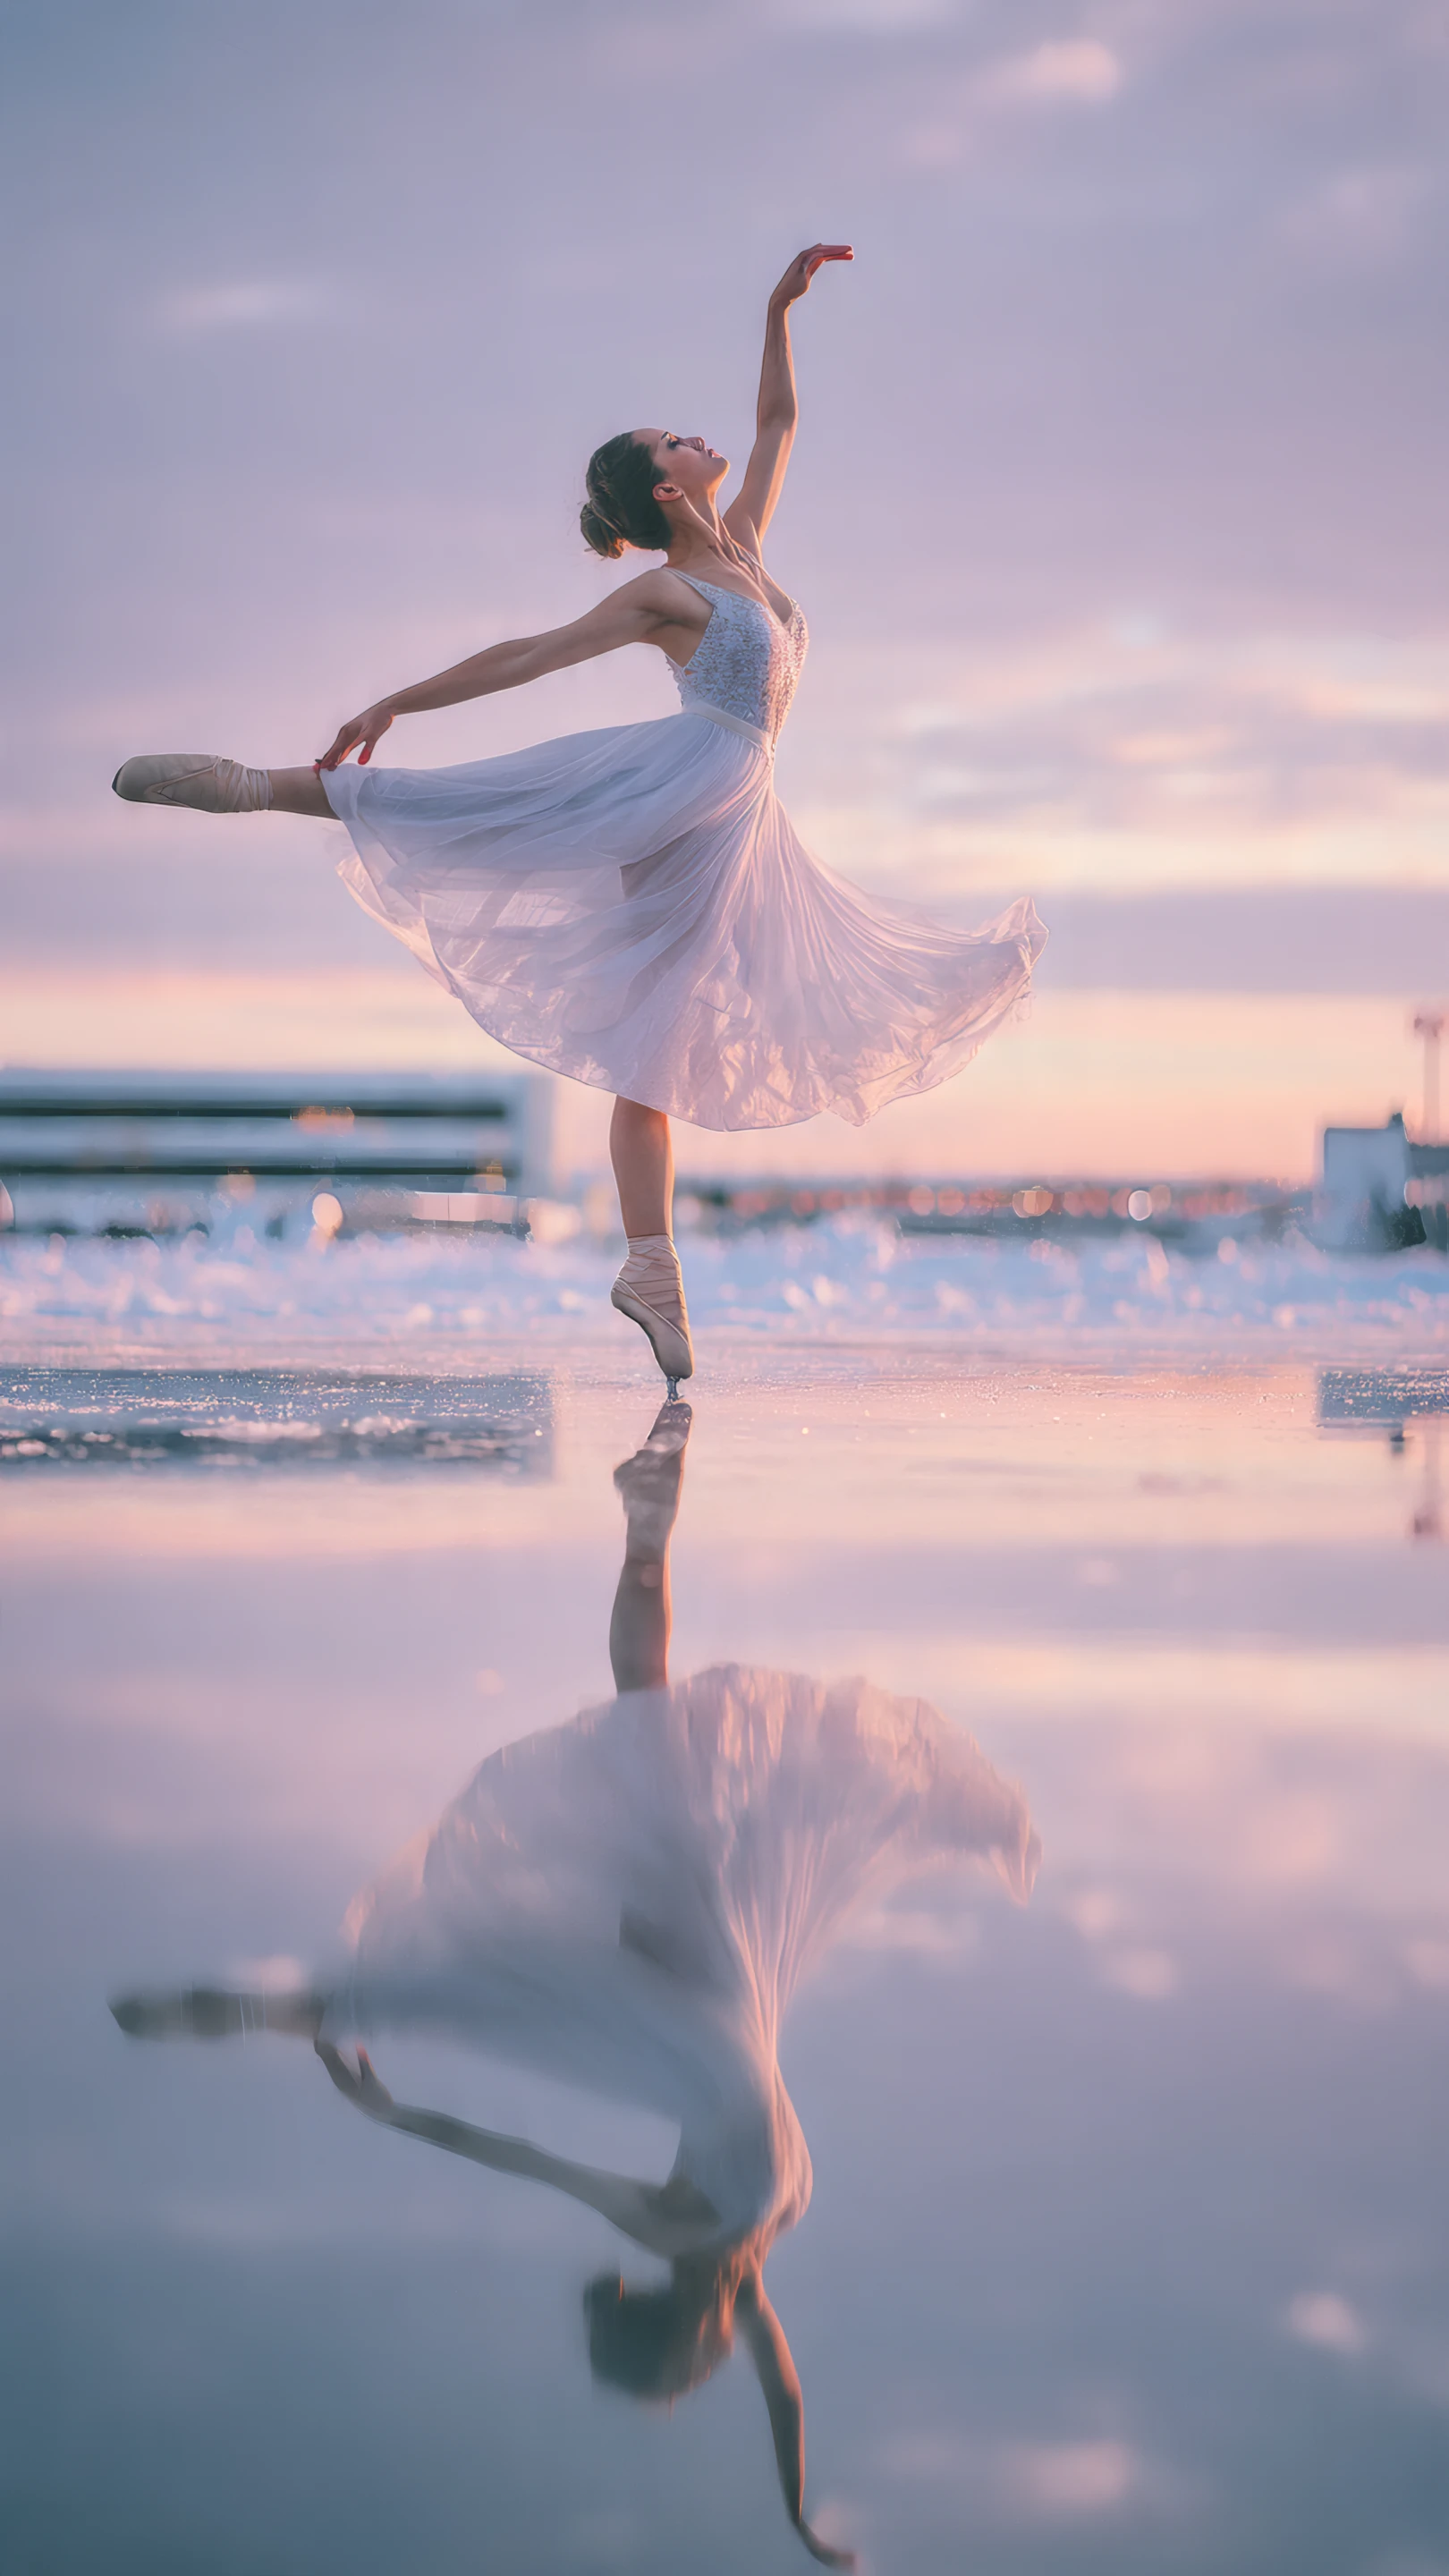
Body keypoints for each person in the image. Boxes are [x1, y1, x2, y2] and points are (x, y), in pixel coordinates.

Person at [112, 1400, 1039, 2564]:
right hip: (683, 1989)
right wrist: (392, 2112)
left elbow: (787, 2400)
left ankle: (650, 1523)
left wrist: (804, 2516)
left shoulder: (757, 2254)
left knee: (647, 1726)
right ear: (647, 2307)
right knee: (457, 1971)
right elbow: (515, 2155)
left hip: (716, 1974)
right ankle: (228, 2012)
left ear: (698, 2342)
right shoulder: (672, 2226)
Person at [112, 245, 1046, 1393]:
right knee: (571, 922)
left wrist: (777, 308)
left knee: (677, 1039)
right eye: (671, 440)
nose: (694, 437)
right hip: (682, 794)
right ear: (664, 489)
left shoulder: (743, 546)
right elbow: (534, 656)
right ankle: (262, 785)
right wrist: (392, 700)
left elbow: (777, 421)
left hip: (737, 806)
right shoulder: (667, 592)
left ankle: (650, 1270)